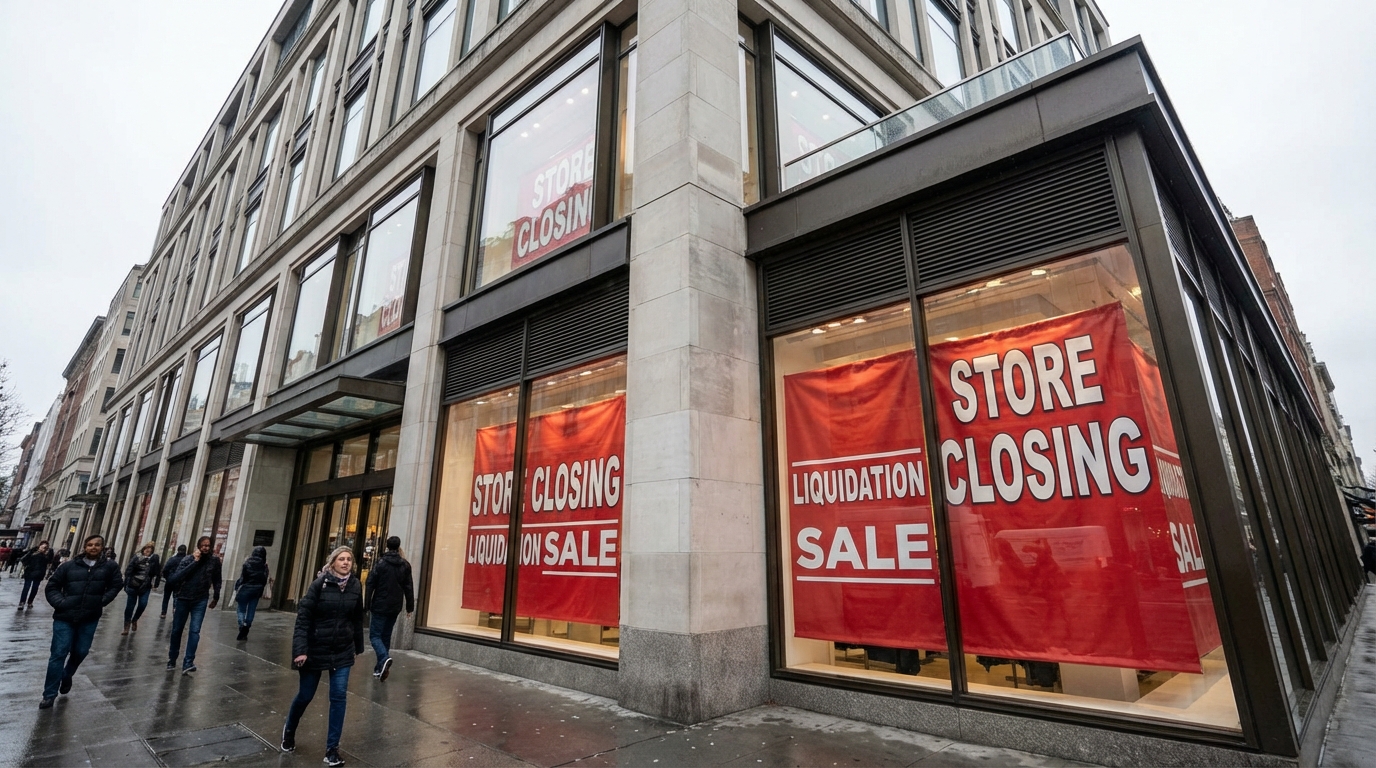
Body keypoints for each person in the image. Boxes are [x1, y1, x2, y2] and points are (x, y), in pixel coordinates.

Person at [281, 546, 363, 767]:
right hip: (316, 648)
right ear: (333, 562)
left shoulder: (355, 585)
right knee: (305, 695)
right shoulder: (320, 585)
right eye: (341, 559)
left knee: (338, 697)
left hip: (343, 650)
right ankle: (289, 730)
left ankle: (332, 749)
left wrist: (358, 647)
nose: (346, 563)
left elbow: (357, 618)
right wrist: (300, 650)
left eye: (349, 559)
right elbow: (303, 619)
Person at [39, 535, 123, 709]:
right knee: (58, 653)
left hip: (89, 617)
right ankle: (49, 694)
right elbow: (52, 586)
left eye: (97, 545)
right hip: (65, 617)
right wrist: (60, 603)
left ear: (103, 547)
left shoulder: (110, 567)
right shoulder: (69, 566)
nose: (93, 547)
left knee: (81, 651)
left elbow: (116, 585)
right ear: (84, 547)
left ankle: (67, 674)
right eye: (90, 545)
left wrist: (102, 601)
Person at [164, 536, 221, 675]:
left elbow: (217, 579)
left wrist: (216, 596)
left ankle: (188, 662)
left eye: (208, 545)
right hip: (183, 598)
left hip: (200, 600)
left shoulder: (214, 561)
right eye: (203, 545)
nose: (205, 548)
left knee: (195, 631)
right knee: (177, 630)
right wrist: (194, 562)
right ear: (198, 546)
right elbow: (175, 578)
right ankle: (172, 659)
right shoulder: (188, 559)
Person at [364, 536, 414, 680]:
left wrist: (366, 605)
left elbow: (370, 583)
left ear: (387, 546)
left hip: (380, 605)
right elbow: (409, 587)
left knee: (375, 636)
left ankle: (384, 658)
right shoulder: (405, 565)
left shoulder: (380, 564)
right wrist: (410, 608)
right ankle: (380, 668)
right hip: (394, 606)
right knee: (385, 636)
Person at [121, 543, 161, 634]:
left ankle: (135, 619)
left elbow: (157, 572)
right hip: (133, 585)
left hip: (145, 586)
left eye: (149, 549)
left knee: (143, 604)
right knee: (129, 607)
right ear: (143, 549)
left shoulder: (153, 560)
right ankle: (126, 626)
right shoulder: (136, 558)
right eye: (146, 549)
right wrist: (126, 584)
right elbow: (128, 571)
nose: (147, 551)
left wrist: (156, 583)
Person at [233, 546, 270, 641]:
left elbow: (243, 578)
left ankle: (241, 625)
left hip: (246, 588)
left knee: (241, 609)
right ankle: (247, 625)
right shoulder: (264, 566)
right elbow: (264, 580)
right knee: (251, 609)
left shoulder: (247, 563)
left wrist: (237, 586)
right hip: (257, 591)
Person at [19, 541, 54, 609]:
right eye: (43, 547)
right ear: (39, 546)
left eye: (46, 548)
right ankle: (22, 602)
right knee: (26, 588)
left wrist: (51, 552)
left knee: (34, 589)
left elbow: (50, 561)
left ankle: (30, 602)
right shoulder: (33, 553)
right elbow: (23, 559)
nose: (44, 549)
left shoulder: (45, 556)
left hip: (39, 575)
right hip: (29, 573)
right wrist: (31, 552)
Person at [160, 545, 188, 618]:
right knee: (176, 597)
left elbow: (165, 569)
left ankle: (163, 612)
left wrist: (168, 577)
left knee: (166, 597)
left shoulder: (172, 559)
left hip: (170, 580)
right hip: (179, 582)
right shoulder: (186, 560)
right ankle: (175, 610)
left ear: (178, 550)